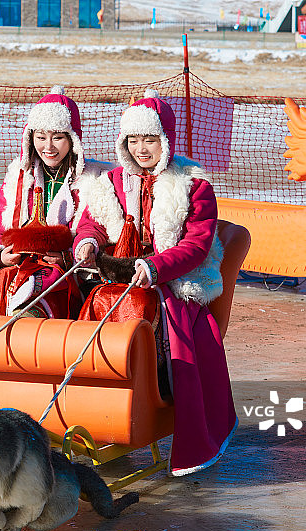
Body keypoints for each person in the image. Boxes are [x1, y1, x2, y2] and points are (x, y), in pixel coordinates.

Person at [78, 90, 237, 476]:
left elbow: (197, 246)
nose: (141, 148)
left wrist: (155, 267)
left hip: (174, 281)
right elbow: (92, 221)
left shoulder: (193, 184)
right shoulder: (111, 181)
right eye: (133, 140)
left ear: (165, 139)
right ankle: (99, 410)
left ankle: (171, 409)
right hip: (118, 277)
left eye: (149, 139)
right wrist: (88, 242)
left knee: (178, 333)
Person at [0, 86, 109, 318]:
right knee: (1, 283)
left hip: (66, 269)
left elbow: (92, 226)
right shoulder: (18, 176)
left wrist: (71, 256)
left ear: (73, 139)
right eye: (41, 137)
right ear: (30, 137)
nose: (48, 147)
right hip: (17, 264)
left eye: (57, 137)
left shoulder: (92, 178)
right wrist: (0, 255)